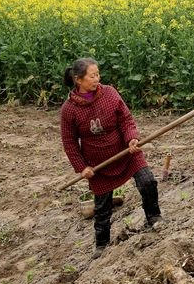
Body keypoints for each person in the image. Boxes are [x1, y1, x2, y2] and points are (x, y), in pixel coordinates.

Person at [60, 58, 163, 259]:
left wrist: (132, 138)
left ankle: (154, 218)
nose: (97, 79)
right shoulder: (69, 110)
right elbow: (70, 142)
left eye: (98, 74)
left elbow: (126, 119)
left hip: (126, 151)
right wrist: (82, 167)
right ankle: (102, 244)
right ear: (78, 80)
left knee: (147, 181)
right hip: (98, 164)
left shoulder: (110, 93)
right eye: (92, 76)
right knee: (102, 207)